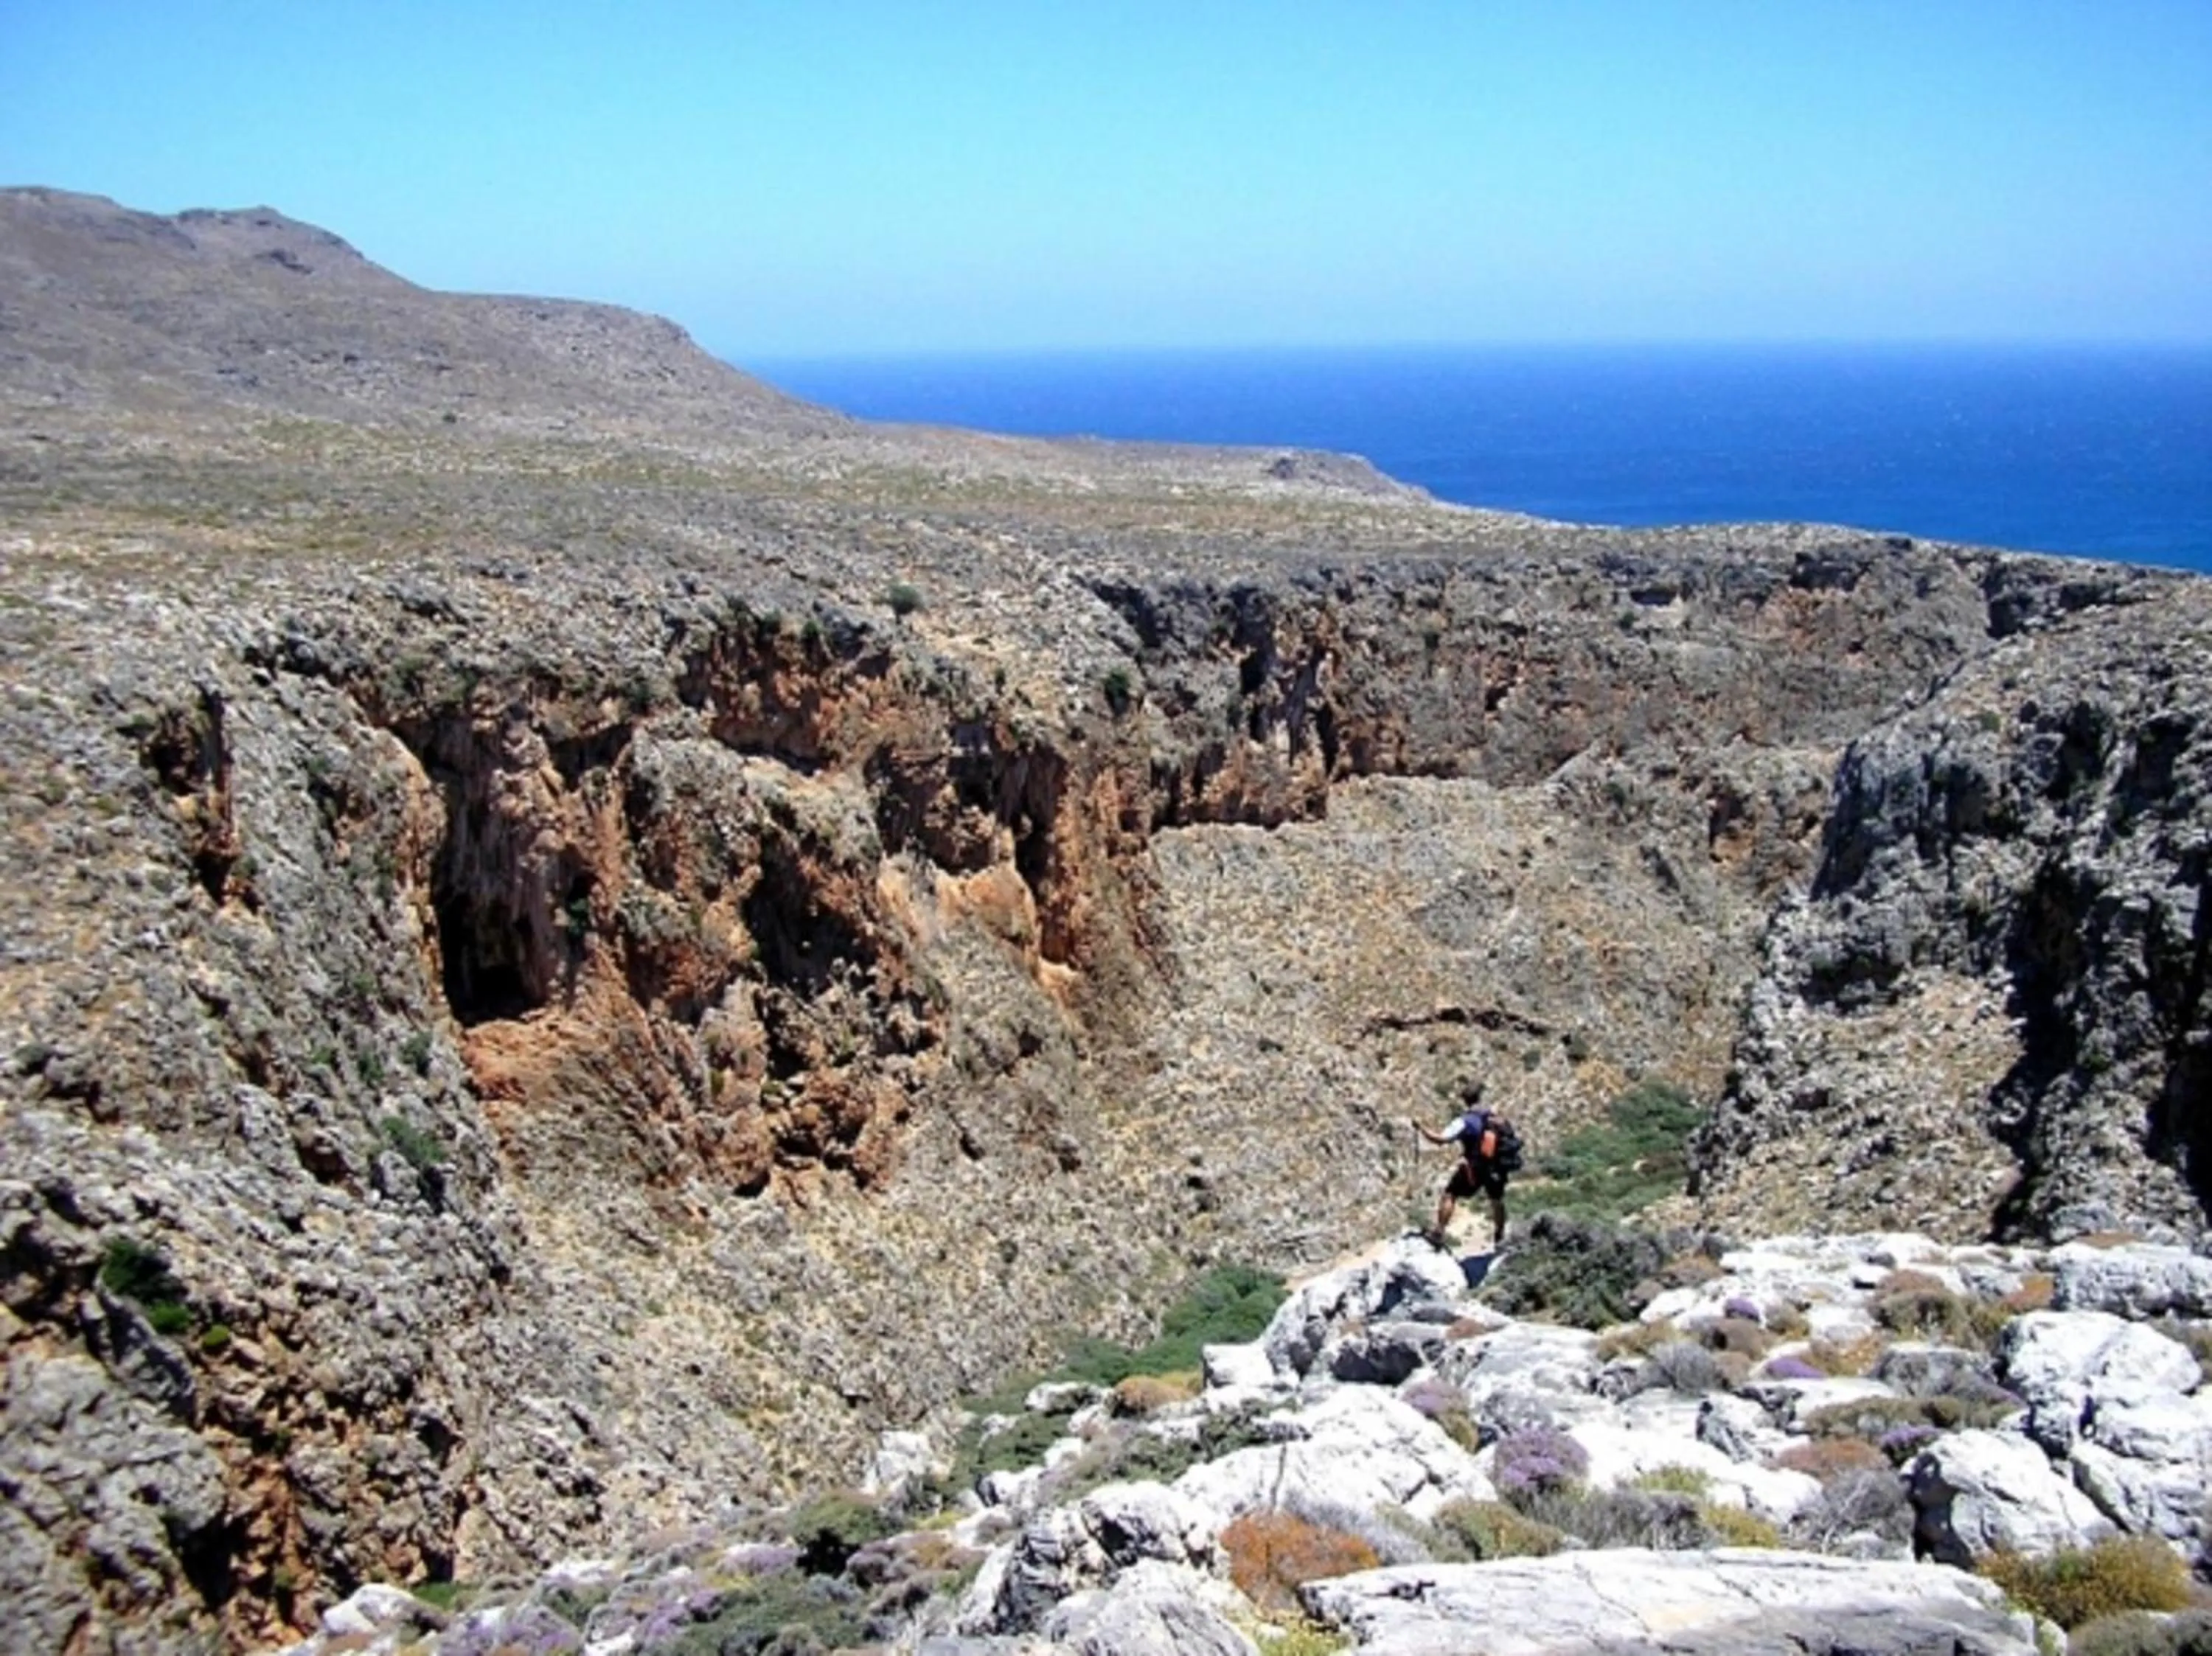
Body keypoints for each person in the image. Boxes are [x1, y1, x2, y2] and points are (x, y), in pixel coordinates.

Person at [1413, 1082, 1509, 1250]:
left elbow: (1441, 1140)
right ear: (1479, 1098)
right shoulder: (1492, 1116)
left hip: (1475, 1167)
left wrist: (1421, 1128)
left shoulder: (1464, 1121)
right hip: (1496, 1166)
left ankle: (1439, 1233)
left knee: (1450, 1194)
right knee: (1496, 1200)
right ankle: (1500, 1236)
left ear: (1464, 1101)